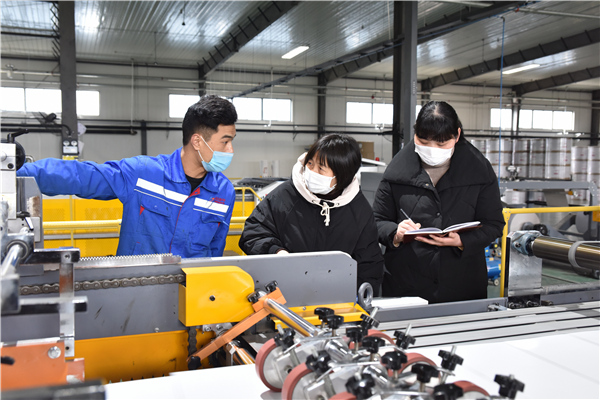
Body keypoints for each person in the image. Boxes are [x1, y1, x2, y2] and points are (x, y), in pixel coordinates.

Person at [17, 95, 238, 258]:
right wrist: (14, 172)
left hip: (192, 295)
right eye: (225, 141)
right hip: (138, 290)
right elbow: (82, 176)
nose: (230, 150)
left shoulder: (224, 192)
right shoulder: (144, 174)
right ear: (198, 141)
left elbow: (215, 252)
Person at [372, 101, 504, 303]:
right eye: (424, 141)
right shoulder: (396, 171)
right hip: (406, 282)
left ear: (457, 135)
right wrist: (395, 233)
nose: (432, 149)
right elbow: (377, 220)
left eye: (441, 144)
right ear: (415, 133)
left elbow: (494, 224)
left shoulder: (479, 171)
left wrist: (462, 241)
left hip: (461, 283)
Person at [239, 134, 384, 295]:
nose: (312, 171)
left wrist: (358, 297)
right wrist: (276, 252)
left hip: (335, 299)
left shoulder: (358, 210)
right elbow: (253, 233)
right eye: (310, 163)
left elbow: (369, 264)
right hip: (283, 295)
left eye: (321, 168)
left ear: (342, 175)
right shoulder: (285, 196)